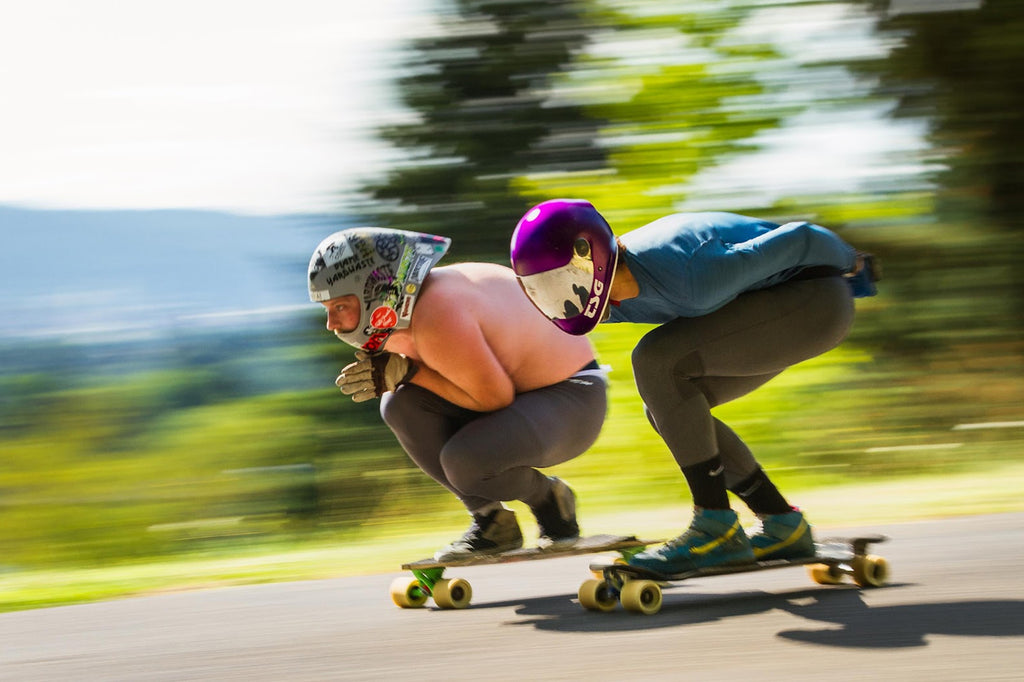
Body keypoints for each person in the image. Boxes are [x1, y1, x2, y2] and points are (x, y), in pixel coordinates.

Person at [509, 199, 879, 574]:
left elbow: (801, 238)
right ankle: (782, 523)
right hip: (767, 310)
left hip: (815, 303)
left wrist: (855, 265)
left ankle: (715, 527)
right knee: (670, 410)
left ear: (592, 256)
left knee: (658, 362)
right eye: (545, 289)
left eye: (563, 282)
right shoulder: (601, 297)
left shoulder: (690, 269)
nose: (562, 300)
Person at [307, 226, 608, 561]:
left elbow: (493, 399)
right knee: (399, 404)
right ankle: (492, 521)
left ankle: (550, 500)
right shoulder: (408, 305)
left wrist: (408, 370)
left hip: (574, 398)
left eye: (340, 307)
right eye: (327, 309)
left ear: (375, 291)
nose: (331, 324)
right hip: (530, 397)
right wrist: (406, 373)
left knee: (464, 462)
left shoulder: (437, 310)